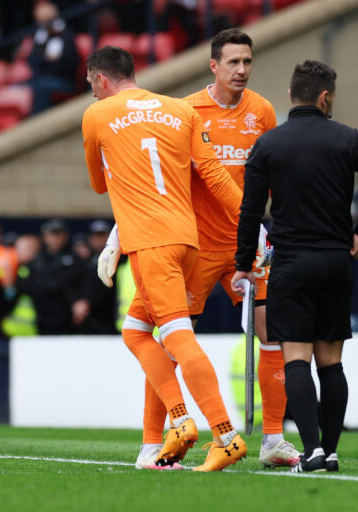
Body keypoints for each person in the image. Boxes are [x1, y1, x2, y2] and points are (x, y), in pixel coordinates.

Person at [133, 28, 297, 469]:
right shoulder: (185, 111)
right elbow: (163, 179)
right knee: (171, 341)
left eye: (247, 62)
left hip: (249, 246)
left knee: (273, 335)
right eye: (233, 63)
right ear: (213, 66)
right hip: (197, 247)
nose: (241, 70)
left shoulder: (261, 111)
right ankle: (153, 442)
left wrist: (269, 228)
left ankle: (274, 441)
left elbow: (270, 175)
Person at [82, 46, 246, 471]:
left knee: (176, 338)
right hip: (188, 241)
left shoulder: (96, 115)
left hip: (150, 243)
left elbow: (100, 185)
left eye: (91, 85)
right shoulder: (180, 109)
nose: (92, 91)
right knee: (136, 331)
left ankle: (222, 434)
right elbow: (212, 174)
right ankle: (172, 427)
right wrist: (252, 225)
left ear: (100, 80)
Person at [231, 60, 358, 472]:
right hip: (336, 262)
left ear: (291, 96)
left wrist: (243, 263)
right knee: (332, 361)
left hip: (292, 263)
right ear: (326, 98)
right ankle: (333, 450)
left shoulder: (268, 144)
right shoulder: (347, 138)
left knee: (296, 359)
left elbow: (250, 211)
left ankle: (313, 450)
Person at [20, 218, 81, 335]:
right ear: (45, 236)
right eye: (52, 234)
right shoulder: (37, 259)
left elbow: (72, 282)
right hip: (41, 317)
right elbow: (32, 285)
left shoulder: (73, 257)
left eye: (59, 234)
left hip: (67, 319)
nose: (56, 239)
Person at [26, 0, 79, 114]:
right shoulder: (39, 38)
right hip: (42, 80)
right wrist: (48, 58)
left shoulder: (66, 34)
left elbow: (70, 62)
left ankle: (36, 125)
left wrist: (48, 61)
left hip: (62, 81)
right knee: (20, 87)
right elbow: (33, 62)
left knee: (41, 88)